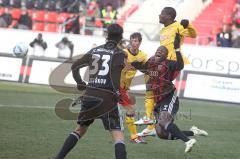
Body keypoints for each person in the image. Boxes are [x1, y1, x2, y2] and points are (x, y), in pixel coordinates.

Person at [55, 24, 127, 159]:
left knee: (80, 130)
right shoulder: (120, 54)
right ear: (121, 38)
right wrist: (118, 94)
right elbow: (115, 77)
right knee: (117, 134)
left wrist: (81, 84)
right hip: (107, 97)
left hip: (90, 95)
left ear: (107, 35)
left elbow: (75, 66)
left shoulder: (95, 50)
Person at [132, 33, 208, 153]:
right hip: (158, 100)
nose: (159, 51)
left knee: (163, 122)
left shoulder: (169, 63)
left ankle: (188, 141)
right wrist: (135, 64)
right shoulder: (151, 62)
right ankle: (194, 132)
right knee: (161, 133)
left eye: (162, 51)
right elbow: (142, 68)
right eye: (158, 50)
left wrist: (177, 49)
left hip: (169, 96)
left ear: (166, 56)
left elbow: (180, 65)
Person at [135, 7, 197, 137]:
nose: (159, 15)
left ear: (169, 16)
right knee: (152, 85)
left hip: (172, 63)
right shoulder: (163, 29)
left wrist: (188, 25)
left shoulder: (178, 26)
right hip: (163, 63)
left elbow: (193, 35)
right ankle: (154, 121)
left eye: (162, 13)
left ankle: (152, 119)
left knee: (152, 84)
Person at [119, 32, 148, 144]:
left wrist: (141, 67)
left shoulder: (143, 56)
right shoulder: (124, 53)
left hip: (125, 87)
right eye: (132, 40)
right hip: (118, 86)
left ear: (140, 42)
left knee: (130, 110)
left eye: (136, 41)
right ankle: (134, 136)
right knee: (131, 110)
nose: (133, 43)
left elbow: (147, 69)